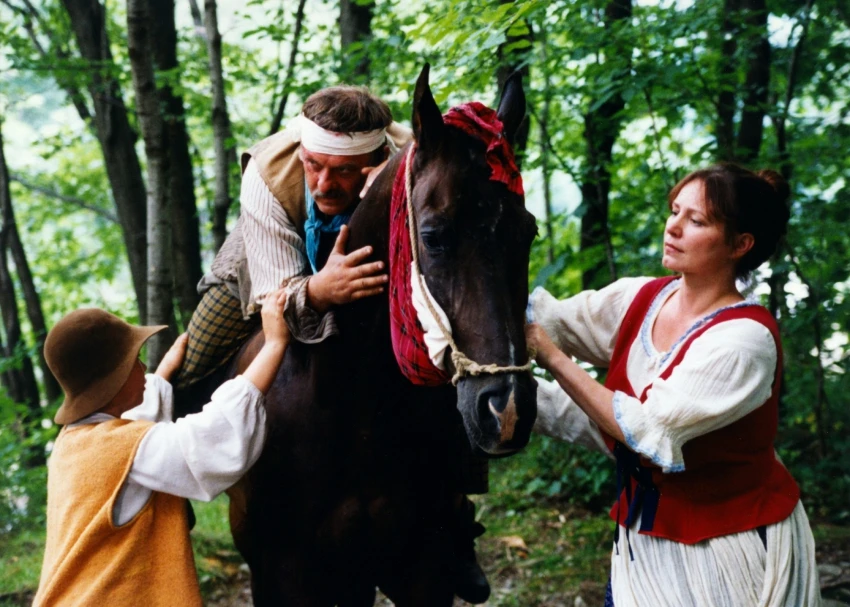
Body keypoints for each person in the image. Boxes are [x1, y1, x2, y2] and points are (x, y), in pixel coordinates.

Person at [525, 163, 822, 606]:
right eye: (675, 211)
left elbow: (646, 430)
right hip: (641, 541)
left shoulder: (743, 343)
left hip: (725, 552)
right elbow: (539, 318)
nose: (674, 227)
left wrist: (549, 357)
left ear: (740, 245)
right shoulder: (642, 298)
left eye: (697, 220)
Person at [33, 289, 289, 606]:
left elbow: (133, 430)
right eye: (133, 362)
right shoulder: (122, 449)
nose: (143, 368)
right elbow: (207, 440)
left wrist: (163, 373)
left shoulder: (74, 443)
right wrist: (274, 344)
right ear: (113, 381)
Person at [174, 85, 411, 389]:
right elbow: (274, 296)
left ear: (379, 156)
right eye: (313, 164)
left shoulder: (410, 159)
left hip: (373, 268)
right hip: (260, 263)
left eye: (345, 170)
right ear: (301, 149)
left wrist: (392, 183)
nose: (324, 184)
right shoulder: (267, 173)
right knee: (189, 369)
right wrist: (318, 291)